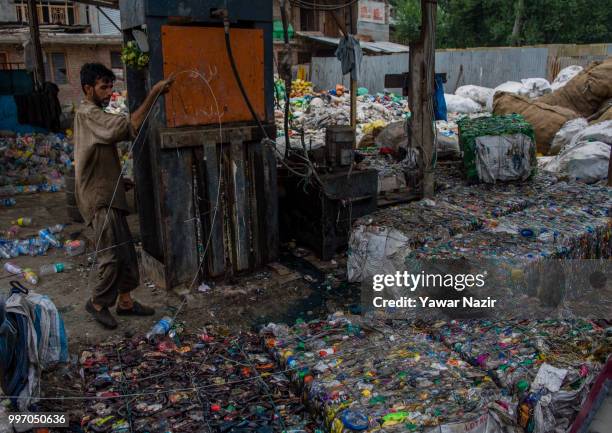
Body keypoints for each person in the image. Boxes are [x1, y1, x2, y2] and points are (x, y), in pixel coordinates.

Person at [74, 63, 173, 329]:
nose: (108, 93)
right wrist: (153, 94)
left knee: (127, 253)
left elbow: (99, 152)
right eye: (103, 87)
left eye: (110, 87)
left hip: (109, 192)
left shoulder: (92, 114)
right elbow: (126, 127)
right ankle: (97, 302)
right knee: (111, 256)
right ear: (87, 89)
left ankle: (126, 302)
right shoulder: (88, 113)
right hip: (99, 199)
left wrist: (120, 181)